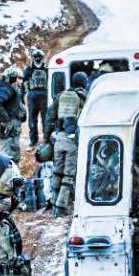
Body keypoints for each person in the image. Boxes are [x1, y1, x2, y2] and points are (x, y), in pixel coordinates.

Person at [48, 72, 88, 217]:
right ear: (84, 83)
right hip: (73, 140)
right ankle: (61, 207)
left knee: (57, 172)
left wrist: (49, 137)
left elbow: (50, 116)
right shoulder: (86, 97)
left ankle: (53, 202)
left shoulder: (61, 95)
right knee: (69, 175)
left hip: (59, 138)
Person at [0, 66, 27, 162]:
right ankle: (8, 171)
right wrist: (6, 120)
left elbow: (16, 104)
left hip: (13, 126)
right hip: (9, 127)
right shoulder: (5, 89)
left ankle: (13, 169)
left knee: (14, 150)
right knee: (8, 153)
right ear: (12, 78)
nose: (21, 81)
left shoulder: (12, 88)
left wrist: (22, 113)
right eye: (19, 78)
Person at [22, 48, 49, 147]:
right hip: (34, 96)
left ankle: (45, 140)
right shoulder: (29, 69)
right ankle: (34, 141)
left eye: (39, 57)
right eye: (36, 57)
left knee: (44, 119)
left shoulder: (46, 68)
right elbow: (23, 82)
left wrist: (22, 96)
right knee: (33, 120)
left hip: (42, 95)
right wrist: (21, 96)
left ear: (41, 57)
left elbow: (23, 82)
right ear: (33, 57)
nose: (37, 58)